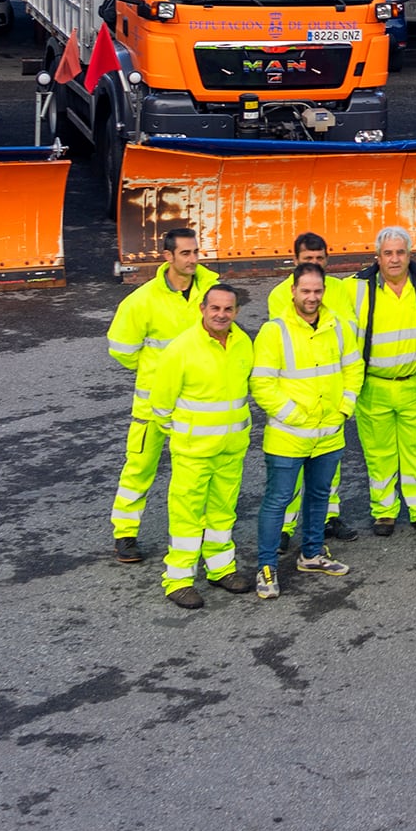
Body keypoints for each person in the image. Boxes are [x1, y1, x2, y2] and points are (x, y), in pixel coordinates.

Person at [106, 228, 218, 564]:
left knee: (195, 472)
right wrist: (156, 372)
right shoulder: (142, 301)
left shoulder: (211, 290)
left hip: (197, 401)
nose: (193, 260)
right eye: (185, 254)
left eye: (196, 252)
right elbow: (122, 349)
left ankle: (195, 531)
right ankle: (125, 534)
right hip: (153, 405)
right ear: (167, 257)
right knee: (139, 467)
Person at [249, 264, 362, 599]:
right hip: (289, 436)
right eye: (306, 291)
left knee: (319, 496)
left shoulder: (338, 327)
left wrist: (345, 407)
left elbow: (354, 367)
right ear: (293, 292)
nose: (312, 297)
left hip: (329, 432)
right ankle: (266, 566)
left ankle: (312, 554)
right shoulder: (274, 331)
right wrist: (293, 416)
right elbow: (262, 382)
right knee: (278, 501)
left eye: (317, 291)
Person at [147, 282, 255, 608]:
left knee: (223, 513)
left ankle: (221, 569)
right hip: (193, 451)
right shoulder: (181, 348)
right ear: (202, 310)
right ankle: (178, 580)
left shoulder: (242, 343)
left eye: (228, 309)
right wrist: (185, 434)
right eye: (215, 308)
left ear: (236, 311)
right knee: (187, 517)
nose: (221, 314)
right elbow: (161, 405)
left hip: (231, 448)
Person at [267, 231, 365, 545]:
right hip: (298, 394)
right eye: (307, 259)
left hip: (330, 389)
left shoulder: (339, 288)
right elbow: (285, 339)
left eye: (319, 259)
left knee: (328, 466)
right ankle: (284, 527)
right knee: (291, 472)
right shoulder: (279, 293)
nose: (314, 263)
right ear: (295, 260)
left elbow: (351, 329)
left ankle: (327, 518)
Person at [354, 227, 416, 539]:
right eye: (388, 253)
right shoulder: (355, 288)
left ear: (410, 255)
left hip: (414, 382)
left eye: (400, 252)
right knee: (378, 452)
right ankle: (384, 512)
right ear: (377, 257)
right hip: (374, 386)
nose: (394, 259)